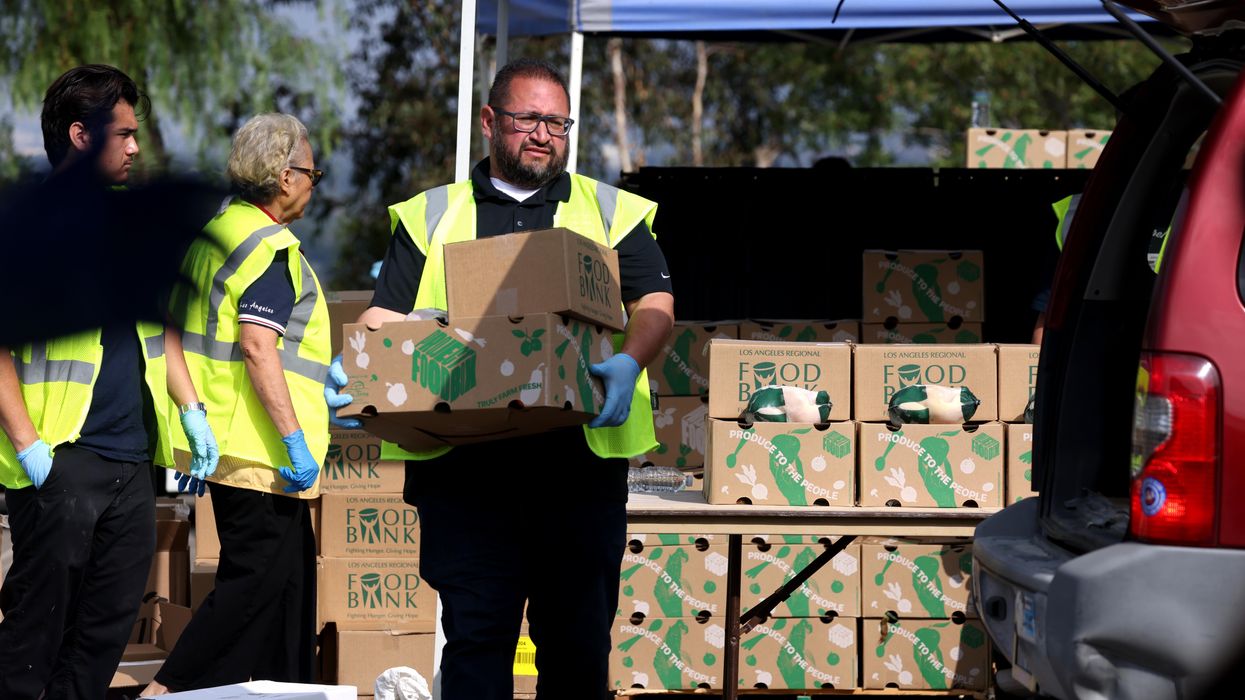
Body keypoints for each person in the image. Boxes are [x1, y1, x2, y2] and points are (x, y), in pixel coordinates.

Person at [336, 58, 675, 699]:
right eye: (527, 119)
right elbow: (386, 314)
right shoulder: (431, 216)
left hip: (575, 473)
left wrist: (629, 362)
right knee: (476, 646)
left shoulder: (610, 211)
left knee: (576, 652)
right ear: (491, 121)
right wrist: (357, 369)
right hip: (466, 476)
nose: (543, 134)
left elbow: (656, 304)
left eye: (557, 122)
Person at [0, 64, 219, 700]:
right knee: (36, 633)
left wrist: (193, 410)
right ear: (79, 135)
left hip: (132, 461)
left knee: (105, 629)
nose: (134, 147)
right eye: (122, 134)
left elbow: (165, 335)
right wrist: (29, 445)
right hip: (59, 460)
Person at [141, 113, 332, 694]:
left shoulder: (218, 232)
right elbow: (257, 346)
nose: (314, 181)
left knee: (289, 585)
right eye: (311, 170)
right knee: (255, 584)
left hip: (227, 438)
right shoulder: (271, 248)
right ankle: (170, 689)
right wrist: (295, 438)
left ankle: (286, 686)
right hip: (262, 448)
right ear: (282, 177)